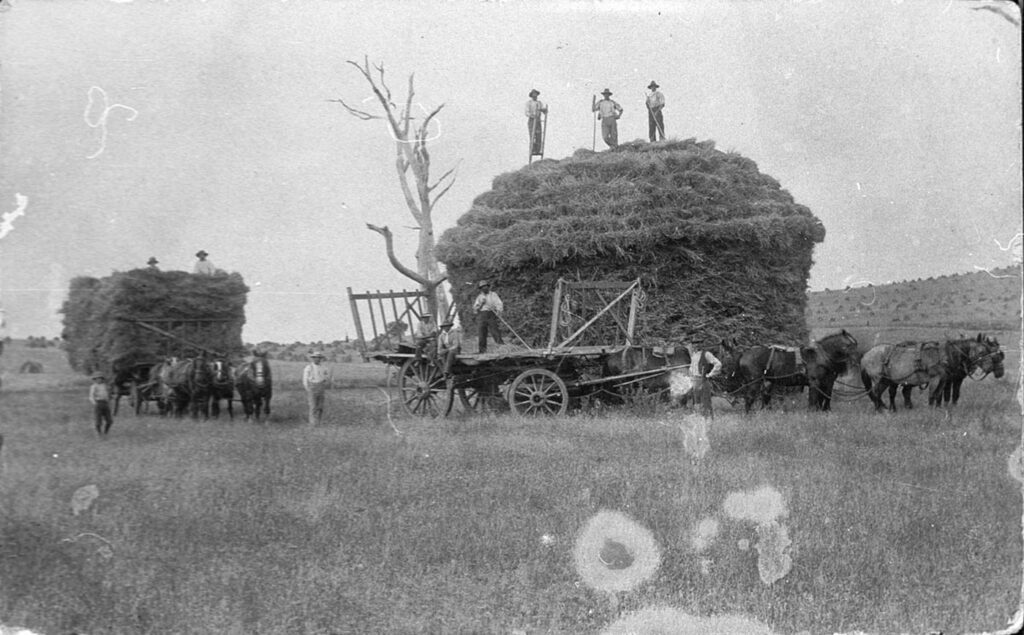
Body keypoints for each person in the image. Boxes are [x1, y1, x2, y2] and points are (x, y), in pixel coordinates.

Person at [688, 339, 723, 418]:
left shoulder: (706, 354)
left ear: (702, 344)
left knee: (706, 403)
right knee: (696, 403)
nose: (696, 345)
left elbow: (718, 364)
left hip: (703, 381)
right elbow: (691, 368)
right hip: (694, 381)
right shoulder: (693, 355)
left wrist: (710, 374)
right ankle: (698, 420)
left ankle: (709, 420)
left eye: (698, 343)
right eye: (694, 343)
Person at [473, 280, 505, 353]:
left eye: (486, 286)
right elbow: (475, 309)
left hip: (491, 314)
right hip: (482, 315)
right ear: (480, 289)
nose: (484, 288)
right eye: (482, 287)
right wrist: (481, 303)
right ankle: (482, 350)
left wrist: (499, 311)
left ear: (488, 287)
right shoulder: (479, 297)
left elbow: (499, 304)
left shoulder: (493, 294)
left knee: (495, 331)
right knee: (481, 333)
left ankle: (502, 348)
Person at [302, 350, 332, 425]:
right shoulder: (308, 367)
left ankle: (319, 421)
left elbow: (327, 376)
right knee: (313, 406)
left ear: (321, 359)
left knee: (320, 406)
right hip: (312, 387)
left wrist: (326, 380)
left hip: (321, 386)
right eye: (315, 358)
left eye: (319, 358)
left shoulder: (323, 367)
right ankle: (312, 423)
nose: (317, 359)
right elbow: (305, 379)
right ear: (313, 358)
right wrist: (307, 388)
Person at [89, 371, 114, 435]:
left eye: (100, 378)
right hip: (98, 403)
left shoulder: (105, 386)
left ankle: (106, 432)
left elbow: (108, 394)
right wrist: (94, 403)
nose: (99, 380)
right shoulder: (94, 386)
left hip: (105, 403)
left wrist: (109, 401)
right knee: (98, 420)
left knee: (109, 421)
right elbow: (91, 396)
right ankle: (99, 433)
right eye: (97, 378)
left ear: (102, 379)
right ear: (95, 379)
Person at [525, 88, 548, 156]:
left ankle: (538, 150)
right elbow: (526, 112)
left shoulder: (539, 103)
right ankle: (533, 150)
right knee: (532, 135)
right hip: (532, 120)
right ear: (531, 95)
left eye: (536, 94)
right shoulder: (529, 103)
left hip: (538, 120)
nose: (535, 96)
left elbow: (543, 110)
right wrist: (532, 115)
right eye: (533, 94)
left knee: (539, 135)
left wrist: (544, 110)